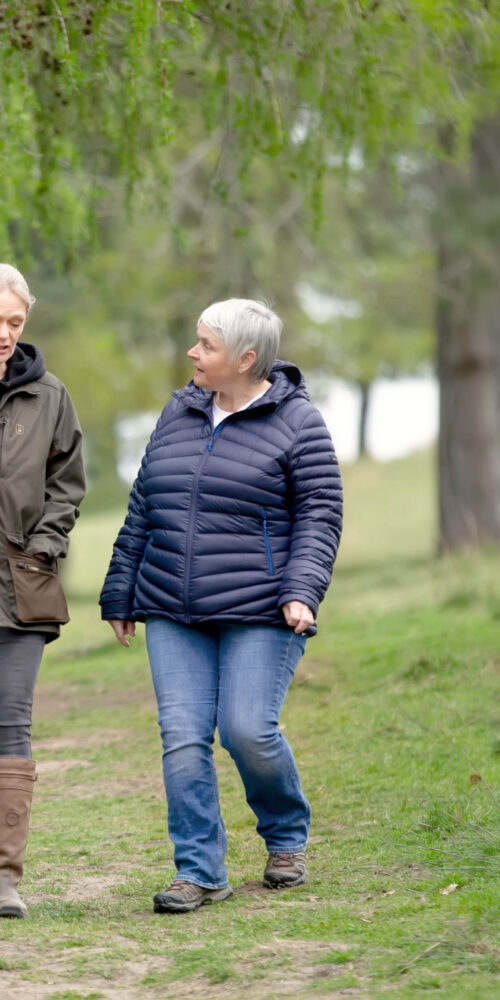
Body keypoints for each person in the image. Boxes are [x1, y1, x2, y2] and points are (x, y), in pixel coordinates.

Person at [100, 298, 342, 913]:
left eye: (205, 345)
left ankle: (286, 837)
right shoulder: (178, 413)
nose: (192, 354)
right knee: (182, 737)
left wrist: (300, 591)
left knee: (245, 729)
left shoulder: (299, 424)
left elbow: (319, 516)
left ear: (245, 358)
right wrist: (121, 589)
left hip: (262, 607)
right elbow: (143, 507)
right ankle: (199, 870)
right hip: (172, 607)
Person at [0, 264, 86, 918]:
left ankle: (3, 877)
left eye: (15, 322)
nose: (5, 333)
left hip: (20, 592)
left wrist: (44, 546)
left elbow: (67, 483)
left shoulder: (48, 395)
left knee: (12, 724)